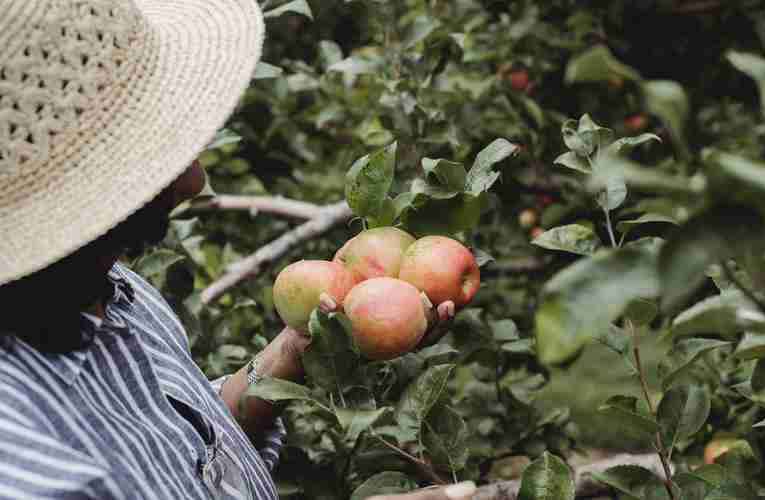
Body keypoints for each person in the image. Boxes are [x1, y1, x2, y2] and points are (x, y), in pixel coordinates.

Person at [0, 0, 474, 498]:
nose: (193, 180)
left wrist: (297, 350)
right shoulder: (22, 459)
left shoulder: (102, 282)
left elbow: (181, 457)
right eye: (150, 156)